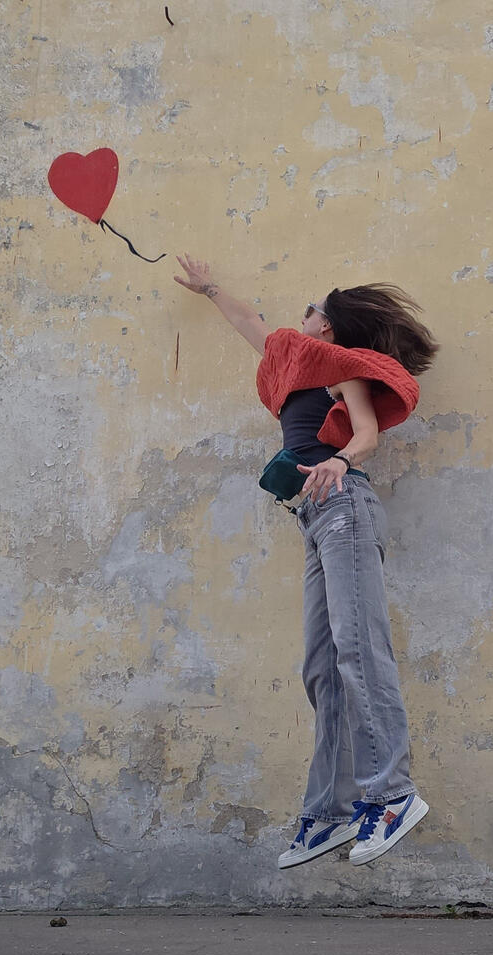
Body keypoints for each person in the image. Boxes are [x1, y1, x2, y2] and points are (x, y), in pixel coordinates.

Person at [173, 254, 438, 868]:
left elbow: (366, 433)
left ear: (329, 327)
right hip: (315, 516)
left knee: (358, 648)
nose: (302, 316)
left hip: (345, 505)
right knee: (322, 666)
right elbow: (252, 324)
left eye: (311, 310)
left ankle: (392, 795)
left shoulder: (340, 369)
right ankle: (331, 811)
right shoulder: (295, 364)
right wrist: (210, 288)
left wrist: (340, 460)